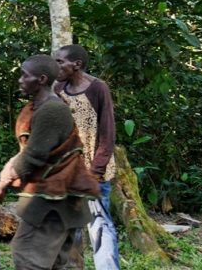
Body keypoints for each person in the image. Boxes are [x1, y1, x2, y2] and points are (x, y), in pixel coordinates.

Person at [0, 54, 100, 269]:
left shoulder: (52, 110)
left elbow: (35, 155)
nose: (20, 80)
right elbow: (28, 149)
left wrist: (2, 183)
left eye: (25, 76)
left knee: (28, 255)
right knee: (57, 261)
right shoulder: (38, 107)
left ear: (41, 79)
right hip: (53, 197)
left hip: (54, 198)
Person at [54, 45, 120, 269]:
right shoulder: (58, 89)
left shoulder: (98, 88)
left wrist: (95, 173)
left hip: (94, 172)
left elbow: (107, 134)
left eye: (61, 62)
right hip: (68, 171)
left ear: (77, 65)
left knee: (99, 226)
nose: (57, 66)